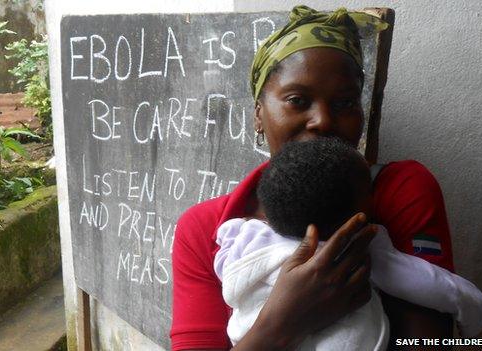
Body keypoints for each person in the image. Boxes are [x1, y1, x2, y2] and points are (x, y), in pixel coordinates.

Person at [170, 5, 457, 351]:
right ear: (259, 114)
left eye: (344, 103)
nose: (322, 120)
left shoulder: (399, 190)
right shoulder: (206, 228)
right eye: (297, 100)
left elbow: (432, 342)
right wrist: (284, 320)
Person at [214, 138, 482, 349]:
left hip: (247, 336)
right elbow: (427, 283)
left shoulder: (245, 234)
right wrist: (475, 309)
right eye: (369, 190)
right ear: (357, 213)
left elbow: (225, 261)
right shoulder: (357, 246)